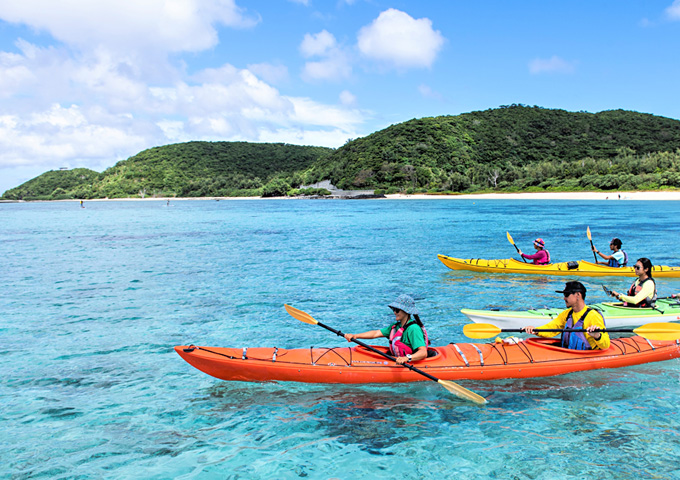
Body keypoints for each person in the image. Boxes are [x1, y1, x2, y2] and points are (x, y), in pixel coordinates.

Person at [522, 281, 610, 350]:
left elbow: (606, 345)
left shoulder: (593, 316)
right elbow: (552, 328)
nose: (564, 298)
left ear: (578, 295)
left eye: (566, 295)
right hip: (568, 353)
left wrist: (597, 336)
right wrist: (535, 330)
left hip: (586, 356)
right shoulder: (567, 314)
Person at [344, 294, 429, 364]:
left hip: (410, 362)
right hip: (397, 359)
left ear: (406, 311)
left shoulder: (414, 329)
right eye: (393, 310)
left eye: (397, 310)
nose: (394, 312)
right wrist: (355, 336)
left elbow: (423, 352)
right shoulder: (395, 327)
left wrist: (406, 358)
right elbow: (375, 333)